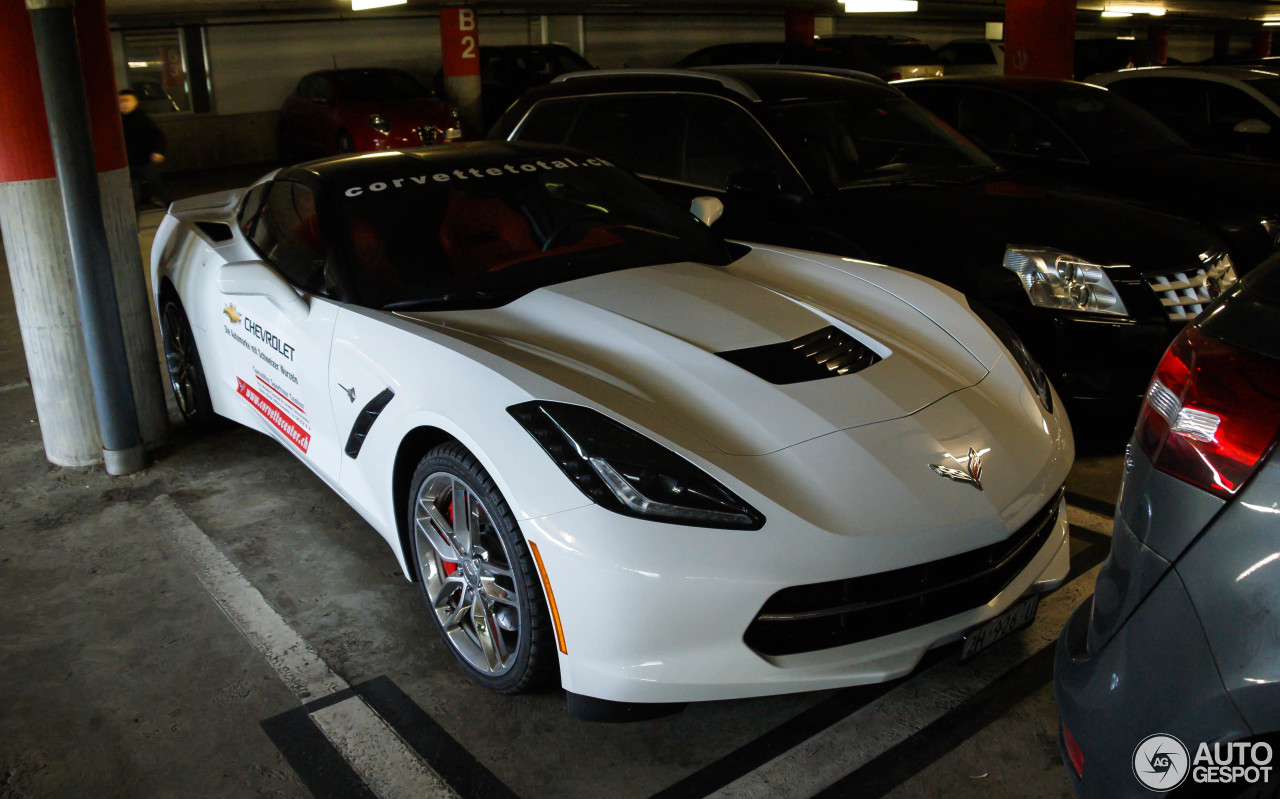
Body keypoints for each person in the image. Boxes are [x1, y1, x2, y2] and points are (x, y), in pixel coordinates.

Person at [118, 89, 171, 208]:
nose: (124, 104)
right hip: (126, 163)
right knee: (133, 194)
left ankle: (174, 210)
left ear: (135, 102)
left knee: (157, 187)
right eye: (121, 101)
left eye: (127, 101)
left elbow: (158, 135)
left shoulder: (142, 118)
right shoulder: (116, 120)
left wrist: (158, 151)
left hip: (143, 160)